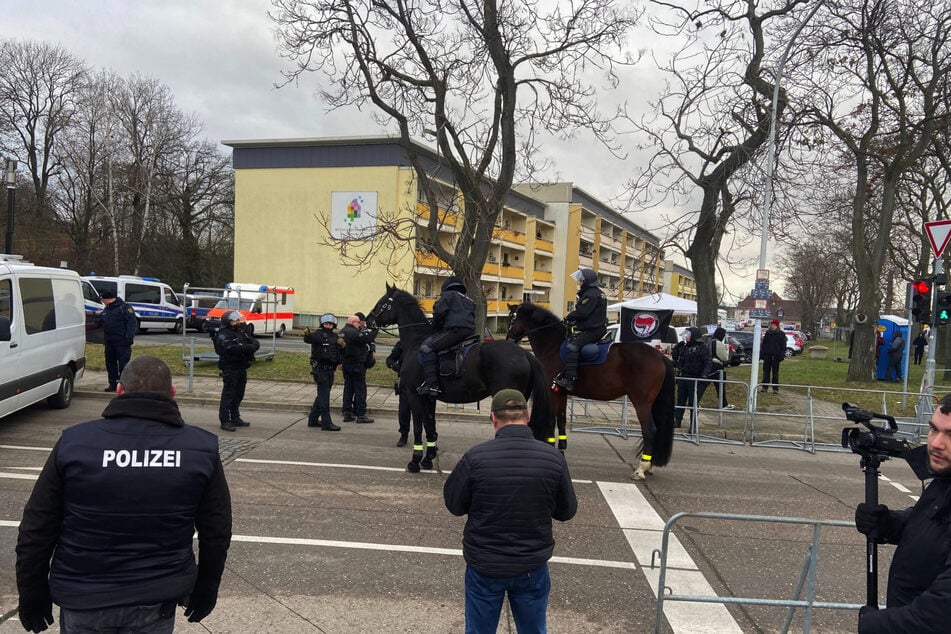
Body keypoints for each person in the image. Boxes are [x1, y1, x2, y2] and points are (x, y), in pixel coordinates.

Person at [15, 355, 232, 634]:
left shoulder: (76, 443)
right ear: (173, 393)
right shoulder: (200, 449)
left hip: (84, 595)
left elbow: (37, 527)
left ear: (119, 390)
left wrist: (32, 592)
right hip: (155, 595)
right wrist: (207, 587)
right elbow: (217, 531)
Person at [443, 389, 577, 633]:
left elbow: (454, 504)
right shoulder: (553, 458)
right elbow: (566, 511)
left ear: (493, 418)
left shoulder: (476, 457)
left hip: (485, 564)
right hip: (531, 563)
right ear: (527, 417)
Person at [854, 393, 951, 633]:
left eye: (950, 435)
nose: (937, 443)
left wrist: (875, 625)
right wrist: (890, 524)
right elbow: (935, 521)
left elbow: (940, 615)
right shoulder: (944, 480)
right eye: (933, 430)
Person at [417, 276, 476, 397]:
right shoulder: (469, 300)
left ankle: (432, 385)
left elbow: (439, 313)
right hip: (469, 331)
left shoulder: (448, 295)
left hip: (455, 331)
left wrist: (434, 327)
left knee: (426, 348)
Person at [553, 268, 607, 392]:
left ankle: (570, 380)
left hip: (592, 331)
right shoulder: (598, 293)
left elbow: (582, 312)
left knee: (572, 347)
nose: (579, 283)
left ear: (586, 281)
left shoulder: (591, 295)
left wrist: (568, 317)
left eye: (581, 281)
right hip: (597, 328)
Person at [214, 310, 260, 432]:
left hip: (241, 366)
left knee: (239, 394)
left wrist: (249, 348)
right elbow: (231, 349)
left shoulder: (239, 331)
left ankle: (235, 417)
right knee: (228, 395)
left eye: (238, 320)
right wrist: (247, 348)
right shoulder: (223, 334)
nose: (238, 322)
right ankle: (225, 420)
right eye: (235, 320)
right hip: (230, 367)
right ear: (228, 321)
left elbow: (254, 342)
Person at [386, 340, 436, 447]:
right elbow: (389, 360)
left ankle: (431, 437)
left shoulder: (428, 344)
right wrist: (395, 366)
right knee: (404, 411)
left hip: (424, 384)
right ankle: (404, 435)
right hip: (407, 384)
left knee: (429, 413)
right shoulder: (403, 344)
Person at [304, 313, 345, 431]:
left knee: (322, 396)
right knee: (324, 397)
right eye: (326, 323)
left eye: (330, 324)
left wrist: (343, 346)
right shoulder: (318, 335)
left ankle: (313, 419)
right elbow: (308, 339)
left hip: (330, 370)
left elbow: (340, 352)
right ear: (322, 324)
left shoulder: (336, 337)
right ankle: (326, 423)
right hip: (320, 370)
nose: (328, 325)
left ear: (334, 325)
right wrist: (307, 334)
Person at [340, 311, 376, 423]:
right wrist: (376, 330)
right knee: (360, 389)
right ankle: (361, 414)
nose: (360, 325)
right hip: (357, 364)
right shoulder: (353, 332)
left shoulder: (342, 332)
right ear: (353, 322)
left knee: (348, 388)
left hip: (346, 365)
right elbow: (366, 339)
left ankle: (347, 412)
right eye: (358, 323)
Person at [98, 288, 137, 392]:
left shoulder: (124, 308)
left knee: (124, 365)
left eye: (103, 299)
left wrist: (128, 338)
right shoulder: (107, 309)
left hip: (122, 342)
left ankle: (124, 385)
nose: (102, 301)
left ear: (108, 299)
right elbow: (101, 322)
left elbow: (132, 323)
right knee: (110, 364)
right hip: (109, 343)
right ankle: (112, 383)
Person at [672, 327, 711, 428]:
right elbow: (675, 358)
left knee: (693, 403)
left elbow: (708, 363)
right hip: (683, 376)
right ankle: (677, 421)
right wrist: (677, 347)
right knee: (680, 401)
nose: (686, 337)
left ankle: (693, 425)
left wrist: (704, 375)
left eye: (688, 335)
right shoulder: (684, 347)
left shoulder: (702, 348)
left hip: (695, 378)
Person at [706, 327, 735, 410]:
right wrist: (727, 351)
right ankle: (723, 404)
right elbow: (724, 358)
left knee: (702, 385)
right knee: (720, 387)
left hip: (709, 366)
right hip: (717, 367)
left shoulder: (709, 342)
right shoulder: (718, 343)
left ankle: (694, 402)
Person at [760, 319, 787, 394]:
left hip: (776, 356)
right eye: (771, 325)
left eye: (774, 325)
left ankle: (775, 388)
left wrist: (781, 356)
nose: (772, 326)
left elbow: (783, 346)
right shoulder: (768, 333)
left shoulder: (781, 334)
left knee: (775, 373)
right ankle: (764, 387)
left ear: (777, 326)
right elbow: (764, 344)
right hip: (767, 356)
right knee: (766, 372)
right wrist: (762, 354)